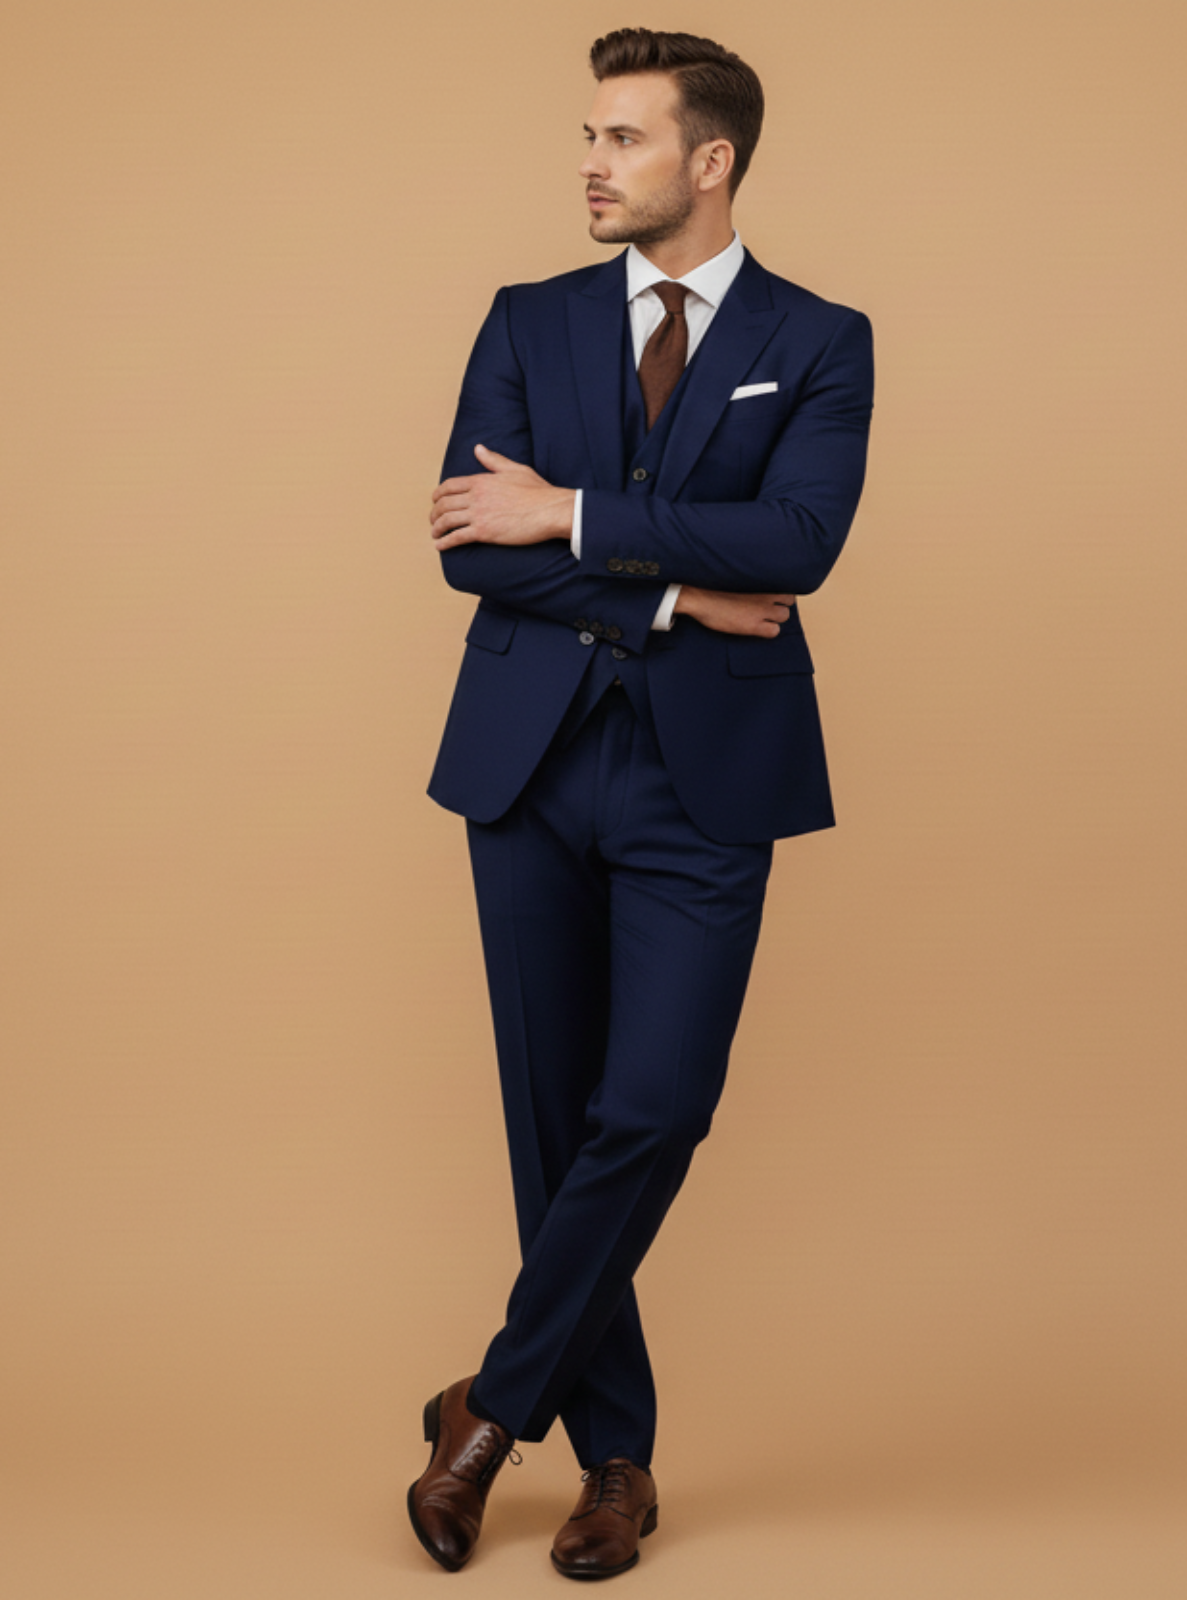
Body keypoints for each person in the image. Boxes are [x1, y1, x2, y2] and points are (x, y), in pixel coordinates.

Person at [410, 26, 874, 1580]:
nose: (590, 164)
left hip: (705, 781)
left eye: (621, 137)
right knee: (554, 1124)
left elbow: (797, 541)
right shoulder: (527, 318)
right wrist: (673, 591)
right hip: (528, 766)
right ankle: (617, 1465)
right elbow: (469, 544)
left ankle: (489, 1406)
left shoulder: (820, 337)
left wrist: (569, 514)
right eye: (588, 136)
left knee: (655, 1106)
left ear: (710, 159)